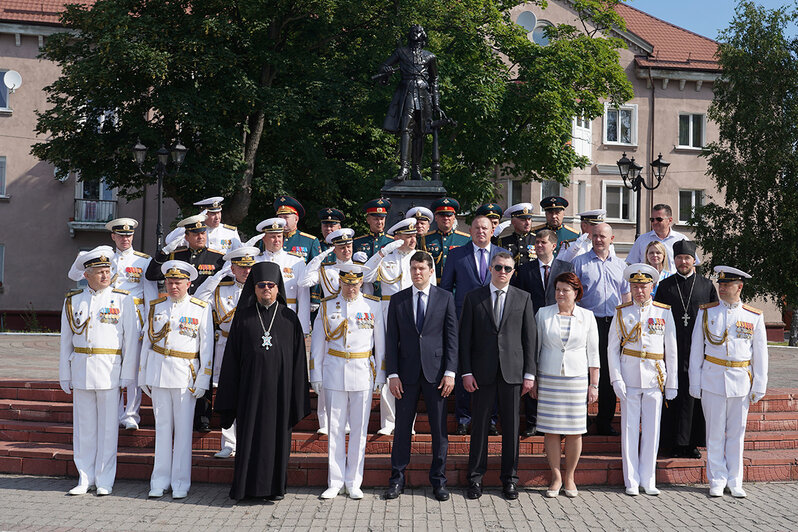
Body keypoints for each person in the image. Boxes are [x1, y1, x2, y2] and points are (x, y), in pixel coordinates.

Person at [215, 262, 311, 501]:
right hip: (249, 393)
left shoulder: (290, 318)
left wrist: (297, 395)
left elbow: (299, 361)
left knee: (276, 443)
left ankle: (274, 489)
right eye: (261, 285)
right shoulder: (243, 318)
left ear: (278, 288)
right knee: (249, 440)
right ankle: (245, 489)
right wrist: (230, 397)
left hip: (280, 394)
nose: (266, 289)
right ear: (254, 288)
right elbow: (231, 361)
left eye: (270, 285)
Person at [60, 246, 139, 496]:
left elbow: (130, 340)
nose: (106, 276)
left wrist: (128, 374)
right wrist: (65, 373)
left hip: (109, 371)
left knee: (107, 430)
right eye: (100, 272)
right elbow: (65, 341)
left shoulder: (123, 299)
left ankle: (105, 479)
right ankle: (84, 476)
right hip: (82, 369)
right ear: (87, 275)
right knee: (84, 429)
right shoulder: (73, 301)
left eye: (108, 271)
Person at [459, 252, 536, 501]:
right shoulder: (474, 298)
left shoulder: (523, 298)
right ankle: (475, 479)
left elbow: (529, 339)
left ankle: (510, 480)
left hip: (512, 373)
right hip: (481, 373)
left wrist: (530, 374)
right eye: (499, 267)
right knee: (479, 427)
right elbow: (465, 340)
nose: (503, 272)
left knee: (512, 429)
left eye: (508, 268)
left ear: (513, 272)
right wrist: (467, 371)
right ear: (491, 269)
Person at [383, 251, 458, 502]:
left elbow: (451, 338)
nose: (417, 273)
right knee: (402, 428)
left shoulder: (445, 298)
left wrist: (450, 372)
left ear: (430, 271)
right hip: (406, 375)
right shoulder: (398, 300)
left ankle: (439, 481)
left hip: (436, 375)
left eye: (422, 269)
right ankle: (397, 479)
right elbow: (391, 340)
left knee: (439, 430)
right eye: (414, 268)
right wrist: (392, 374)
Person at [689, 266, 768, 498]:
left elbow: (760, 354)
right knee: (714, 433)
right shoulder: (707, 312)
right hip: (712, 378)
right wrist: (695, 381)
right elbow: (696, 349)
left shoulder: (753, 316)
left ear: (739, 287)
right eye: (720, 285)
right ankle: (716, 479)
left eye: (727, 285)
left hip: (741, 381)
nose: (722, 288)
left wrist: (759, 385)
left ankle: (735, 480)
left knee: (736, 433)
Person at [137, 260, 213, 499]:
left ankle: (181, 482)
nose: (173, 287)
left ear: (189, 283)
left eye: (178, 282)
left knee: (182, 433)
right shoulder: (156, 306)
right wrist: (142, 374)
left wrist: (204, 378)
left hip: (185, 375)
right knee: (161, 430)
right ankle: (159, 480)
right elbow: (148, 343)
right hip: (159, 373)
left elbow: (207, 346)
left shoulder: (200, 308)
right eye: (169, 282)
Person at [310, 264, 386, 500]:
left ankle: (354, 481)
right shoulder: (326, 306)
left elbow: (380, 344)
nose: (351, 288)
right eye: (347, 283)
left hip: (362, 371)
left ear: (361, 283)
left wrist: (381, 376)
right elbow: (317, 344)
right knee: (334, 430)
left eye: (355, 283)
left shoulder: (372, 305)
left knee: (359, 431)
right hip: (333, 371)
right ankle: (334, 481)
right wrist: (316, 375)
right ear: (340, 282)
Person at [607, 264, 677, 496]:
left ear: (652, 286)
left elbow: (672, 349)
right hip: (629, 377)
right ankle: (631, 480)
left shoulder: (663, 312)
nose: (639, 291)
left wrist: (672, 382)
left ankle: (648, 478)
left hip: (654, 378)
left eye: (643, 286)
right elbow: (612, 350)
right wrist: (616, 379)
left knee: (652, 430)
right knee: (628, 430)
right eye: (635, 286)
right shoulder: (622, 311)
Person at [364, 218, 436, 435]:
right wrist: (383, 252)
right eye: (407, 236)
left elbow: (432, 290)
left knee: (409, 364)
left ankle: (407, 422)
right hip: (388, 313)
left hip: (415, 313)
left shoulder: (423, 258)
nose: (412, 239)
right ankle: (388, 422)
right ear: (397, 238)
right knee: (387, 363)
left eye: (414, 235)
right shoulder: (387, 257)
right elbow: (366, 275)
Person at [440, 215, 508, 435]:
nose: (481, 231)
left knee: (492, 370)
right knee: (463, 368)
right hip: (463, 320)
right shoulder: (456, 254)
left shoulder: (502, 255)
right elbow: (446, 289)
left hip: (494, 320)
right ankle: (463, 417)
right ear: (470, 230)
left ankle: (490, 419)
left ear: (492, 231)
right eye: (477, 227)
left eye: (485, 228)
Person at [534, 272, 599, 498]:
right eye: (558, 289)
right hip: (549, 376)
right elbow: (536, 349)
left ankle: (570, 476)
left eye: (566, 290)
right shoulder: (543, 314)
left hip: (576, 378)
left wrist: (594, 385)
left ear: (576, 293)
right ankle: (555, 477)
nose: (560, 293)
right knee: (550, 429)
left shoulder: (588, 317)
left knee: (575, 430)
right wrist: (533, 379)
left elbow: (593, 352)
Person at [193, 246, 260, 459]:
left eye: (249, 267)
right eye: (241, 268)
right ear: (233, 268)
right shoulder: (221, 288)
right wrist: (217, 276)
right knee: (228, 393)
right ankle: (229, 443)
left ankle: (250, 441)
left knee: (251, 392)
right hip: (225, 344)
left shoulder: (260, 289)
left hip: (251, 347)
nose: (246, 272)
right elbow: (199, 298)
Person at [654, 240, 718, 458]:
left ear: (694, 260)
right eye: (679, 258)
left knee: (694, 395)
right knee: (673, 393)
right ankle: (671, 442)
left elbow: (714, 317)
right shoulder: (665, 286)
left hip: (698, 349)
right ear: (674, 260)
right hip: (671, 348)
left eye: (687, 258)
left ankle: (691, 443)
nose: (683, 261)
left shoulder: (706, 285)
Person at [511, 229, 574, 437]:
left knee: (558, 371)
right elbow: (519, 297)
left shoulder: (566, 268)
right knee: (533, 368)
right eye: (536, 242)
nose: (538, 245)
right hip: (533, 324)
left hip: (560, 324)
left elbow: (573, 295)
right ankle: (532, 421)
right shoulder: (525, 269)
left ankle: (560, 422)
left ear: (553, 246)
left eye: (543, 242)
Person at [572, 223, 631, 436]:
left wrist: (627, 324)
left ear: (611, 238)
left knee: (608, 371)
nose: (598, 240)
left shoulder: (622, 266)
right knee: (585, 370)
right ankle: (582, 419)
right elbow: (574, 294)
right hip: (588, 322)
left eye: (602, 236)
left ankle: (604, 420)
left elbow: (626, 296)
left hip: (614, 324)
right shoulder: (579, 263)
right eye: (595, 236)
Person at [299, 227, 356, 436]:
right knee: (324, 368)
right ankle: (324, 420)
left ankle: (348, 419)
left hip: (352, 324)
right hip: (327, 322)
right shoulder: (326, 270)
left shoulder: (359, 268)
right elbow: (304, 281)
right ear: (335, 249)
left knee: (350, 372)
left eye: (348, 246)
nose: (346, 250)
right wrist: (321, 256)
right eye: (341, 247)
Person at [104, 217, 157, 431]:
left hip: (135, 316)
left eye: (129, 235)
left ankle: (131, 414)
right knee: (113, 364)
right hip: (110, 316)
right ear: (113, 236)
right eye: (121, 235)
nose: (125, 239)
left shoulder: (143, 261)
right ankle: (114, 411)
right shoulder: (105, 259)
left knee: (134, 367)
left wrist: (150, 322)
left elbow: (151, 295)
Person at [377, 24, 441, 181]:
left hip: (424, 94)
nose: (415, 32)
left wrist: (437, 104)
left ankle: (416, 169)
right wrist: (386, 71)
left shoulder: (430, 56)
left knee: (421, 131)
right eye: (413, 30)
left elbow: (435, 80)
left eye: (418, 31)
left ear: (423, 35)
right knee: (406, 128)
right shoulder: (401, 52)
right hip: (407, 91)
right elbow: (383, 66)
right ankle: (404, 168)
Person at [253, 217, 311, 335]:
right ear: (264, 238)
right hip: (261, 314)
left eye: (279, 236)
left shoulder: (296, 261)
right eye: (272, 237)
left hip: (287, 315)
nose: (277, 240)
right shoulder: (255, 260)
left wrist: (303, 328)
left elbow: (303, 296)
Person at [145, 214, 226, 296]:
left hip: (207, 304)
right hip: (182, 304)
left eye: (203, 233)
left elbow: (225, 286)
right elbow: (152, 275)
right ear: (186, 237)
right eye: (195, 234)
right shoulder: (175, 257)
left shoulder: (218, 258)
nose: (200, 237)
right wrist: (164, 252)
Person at [626, 204, 698, 273]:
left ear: (670, 220)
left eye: (659, 219)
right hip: (649, 283)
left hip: (674, 284)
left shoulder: (681, 239)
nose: (655, 222)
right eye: (652, 219)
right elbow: (632, 265)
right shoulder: (642, 240)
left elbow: (692, 266)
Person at [420, 197, 471, 283]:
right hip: (434, 285)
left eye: (449, 215)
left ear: (454, 217)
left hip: (457, 285)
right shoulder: (425, 239)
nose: (446, 218)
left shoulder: (465, 239)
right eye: (442, 215)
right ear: (436, 218)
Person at [274, 195, 321, 263]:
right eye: (280, 217)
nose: (282, 220)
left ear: (296, 219)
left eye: (286, 217)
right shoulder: (269, 239)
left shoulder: (310, 241)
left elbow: (315, 268)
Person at [497, 203, 536, 268]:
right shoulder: (503, 241)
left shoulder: (537, 240)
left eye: (529, 219)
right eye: (523, 220)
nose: (527, 223)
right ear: (513, 222)